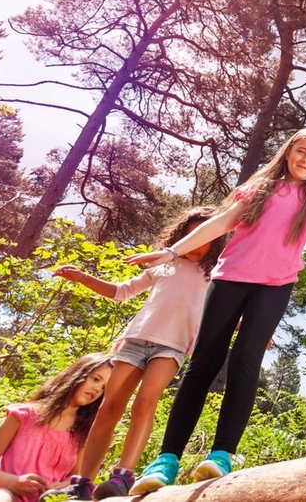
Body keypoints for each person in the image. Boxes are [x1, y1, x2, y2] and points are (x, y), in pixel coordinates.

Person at [125, 128, 306, 494]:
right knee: (203, 362)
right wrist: (171, 252)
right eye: (301, 151)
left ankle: (221, 455)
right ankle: (166, 459)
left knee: (247, 361)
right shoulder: (259, 190)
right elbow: (218, 224)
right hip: (230, 280)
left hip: (275, 288)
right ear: (288, 152)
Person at [41, 208, 222, 500]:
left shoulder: (213, 275)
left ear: (214, 242)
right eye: (189, 237)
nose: (196, 244)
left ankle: (123, 476)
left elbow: (223, 309)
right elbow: (121, 291)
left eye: (203, 239)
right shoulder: (164, 267)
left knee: (145, 403)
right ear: (179, 238)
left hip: (172, 346)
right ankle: (81, 483)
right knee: (108, 407)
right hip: (135, 340)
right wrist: (83, 277)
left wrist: (248, 324)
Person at [0, 354, 113, 502]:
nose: (97, 389)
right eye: (95, 379)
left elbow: (75, 475)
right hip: (6, 492)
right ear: (77, 374)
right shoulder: (24, 415)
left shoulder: (83, 432)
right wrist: (13, 482)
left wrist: (65, 484)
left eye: (103, 388)